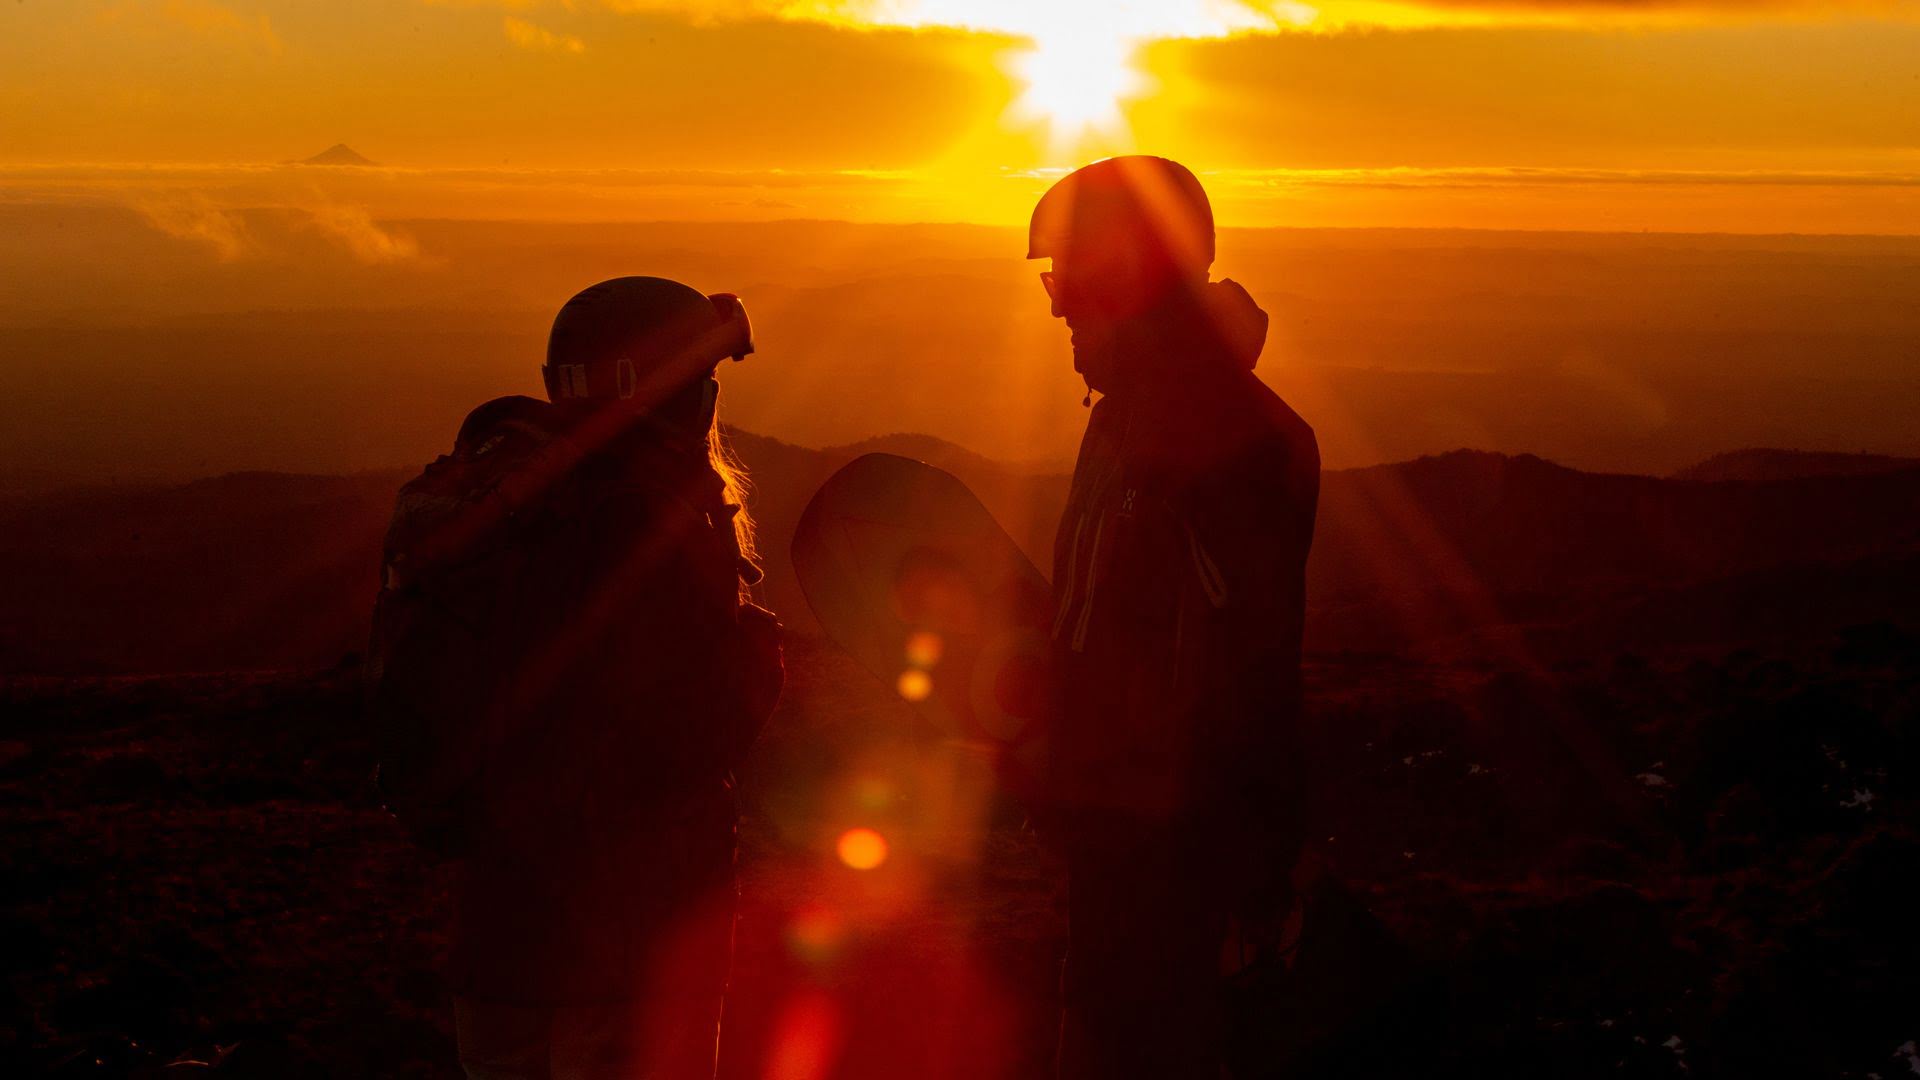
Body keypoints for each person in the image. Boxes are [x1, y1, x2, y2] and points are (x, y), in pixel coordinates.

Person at [369, 276, 784, 1079]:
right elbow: (686, 739)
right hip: (630, 954)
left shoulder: (504, 512)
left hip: (498, 945)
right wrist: (757, 661)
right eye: (702, 381)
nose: (709, 400)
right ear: (656, 389)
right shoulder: (647, 520)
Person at [1028, 156, 1321, 1079]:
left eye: (1066, 282)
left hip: (1178, 863)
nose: (1054, 309)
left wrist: (1256, 864)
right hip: (1113, 844)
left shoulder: (1226, 443)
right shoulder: (1125, 423)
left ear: (1129, 279)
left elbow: (1250, 671)